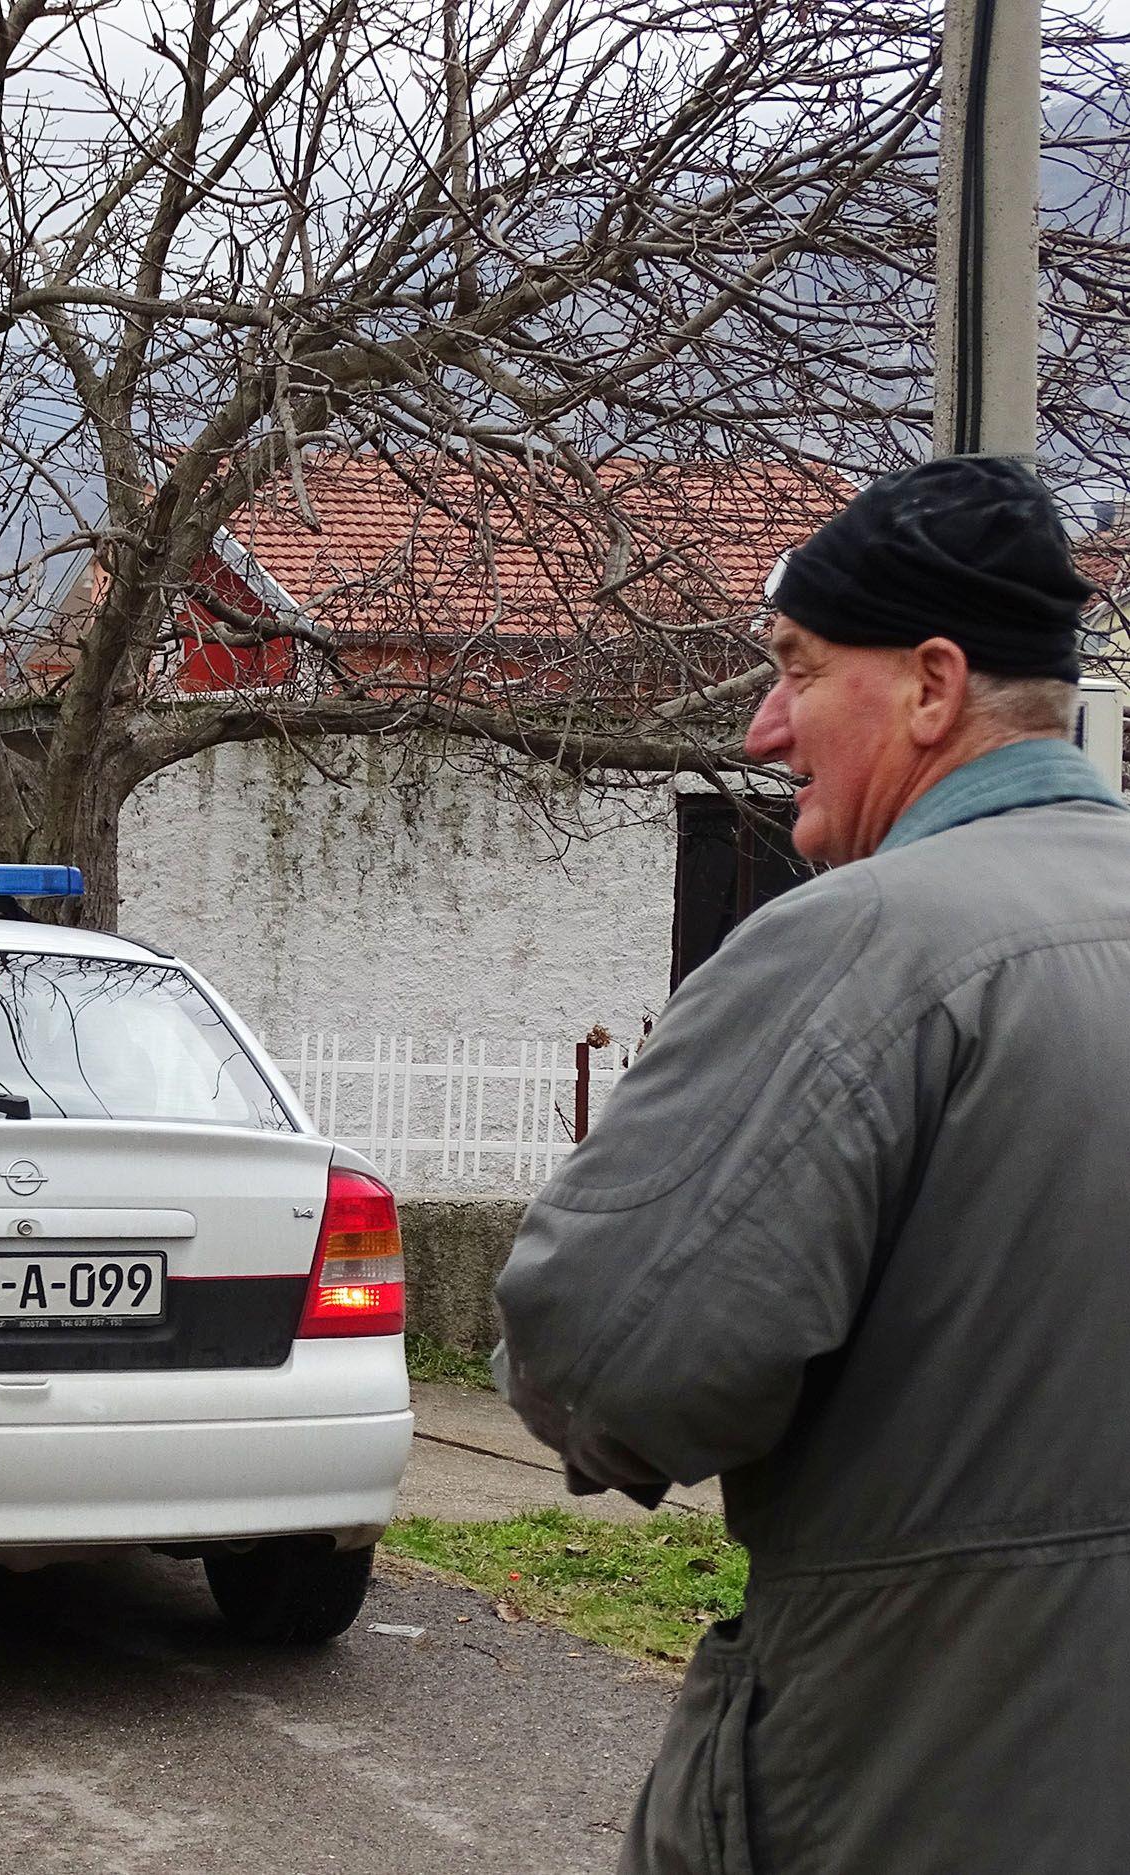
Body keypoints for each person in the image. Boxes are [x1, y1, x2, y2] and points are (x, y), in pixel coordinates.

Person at [490, 455, 1130, 1873]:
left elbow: (614, 1355)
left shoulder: (860, 946)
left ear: (929, 686)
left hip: (924, 1786)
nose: (767, 727)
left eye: (795, 664)